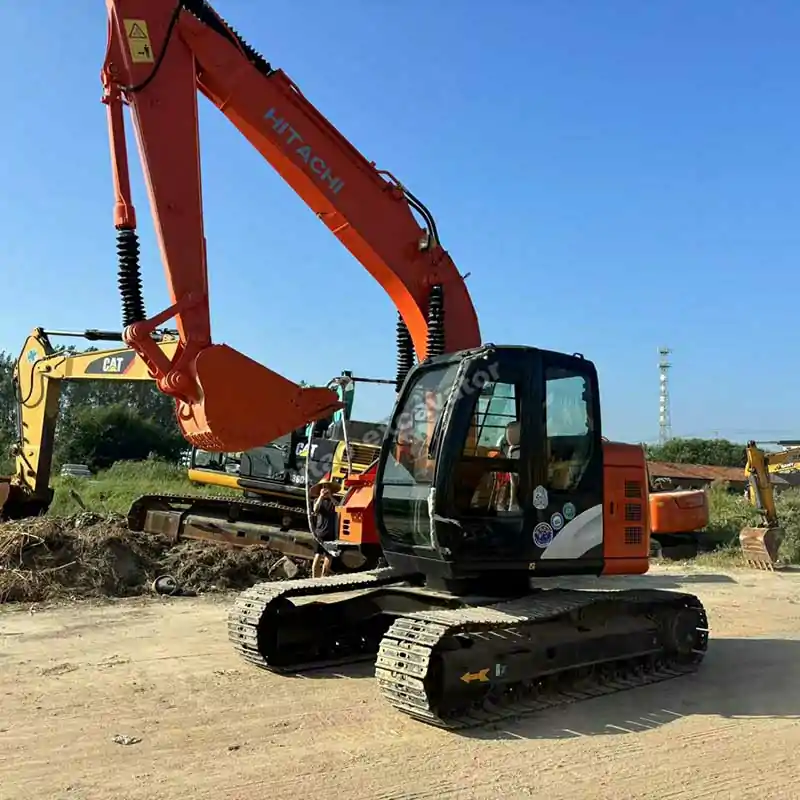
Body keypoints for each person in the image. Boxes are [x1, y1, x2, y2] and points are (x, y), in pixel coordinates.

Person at [310, 480, 340, 578]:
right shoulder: (317, 500)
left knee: (328, 556)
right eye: (323, 487)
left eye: (327, 488)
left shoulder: (334, 501)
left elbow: (339, 507)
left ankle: (324, 576)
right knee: (317, 556)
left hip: (331, 533)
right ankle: (314, 578)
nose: (325, 490)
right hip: (320, 533)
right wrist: (321, 497)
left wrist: (330, 496)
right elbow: (315, 509)